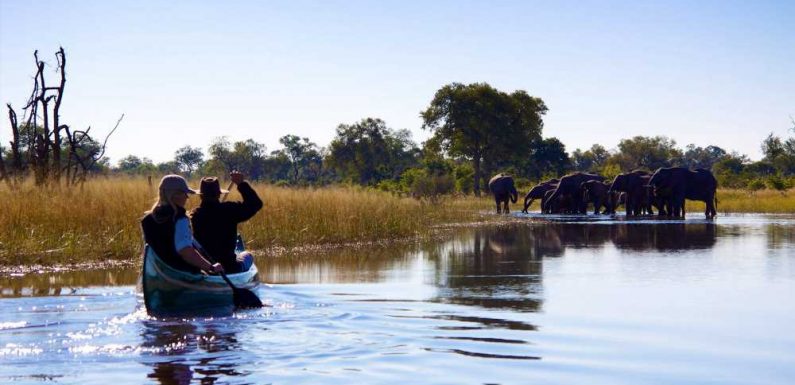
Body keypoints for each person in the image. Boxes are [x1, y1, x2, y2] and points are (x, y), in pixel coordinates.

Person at [141, 174, 224, 274]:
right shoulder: (180, 219)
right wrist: (211, 267)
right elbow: (186, 252)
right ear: (175, 195)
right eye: (185, 193)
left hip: (155, 272)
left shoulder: (147, 219)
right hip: (182, 271)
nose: (187, 198)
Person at [191, 171, 263, 273]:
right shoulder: (229, 210)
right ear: (219, 194)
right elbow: (256, 204)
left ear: (201, 195)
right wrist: (241, 184)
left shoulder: (195, 215)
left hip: (205, 267)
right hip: (230, 267)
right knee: (248, 255)